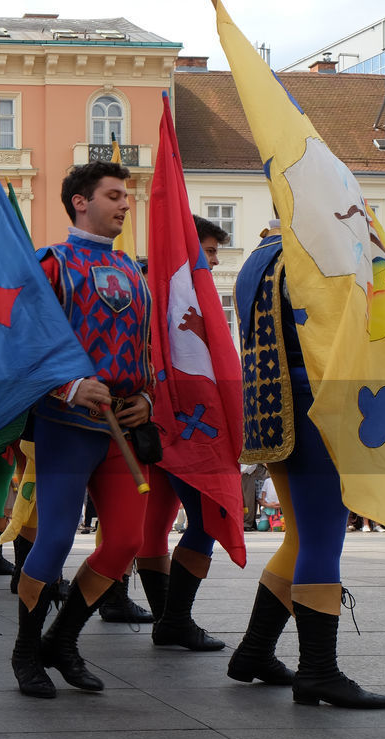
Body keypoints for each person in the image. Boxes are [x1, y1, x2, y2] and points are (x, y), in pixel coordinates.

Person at [227, 223, 385, 708]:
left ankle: (253, 652)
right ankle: (318, 670)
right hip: (318, 404)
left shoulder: (260, 254)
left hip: (273, 410)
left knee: (298, 538)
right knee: (322, 541)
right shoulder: (313, 251)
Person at [11, 162, 155, 699]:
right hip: (66, 422)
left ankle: (61, 640)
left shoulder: (134, 272)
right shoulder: (51, 265)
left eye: (126, 196)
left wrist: (146, 395)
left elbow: (147, 353)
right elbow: (19, 347)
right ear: (79, 201)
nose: (124, 204)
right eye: (114, 195)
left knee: (124, 542)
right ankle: (25, 652)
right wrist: (68, 388)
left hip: (123, 425)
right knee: (54, 538)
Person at [127, 214, 236, 651]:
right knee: (206, 522)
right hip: (176, 428)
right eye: (208, 251)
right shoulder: (173, 296)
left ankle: (168, 618)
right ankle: (174, 618)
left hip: (157, 427)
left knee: (155, 526)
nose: (212, 260)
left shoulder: (154, 291)